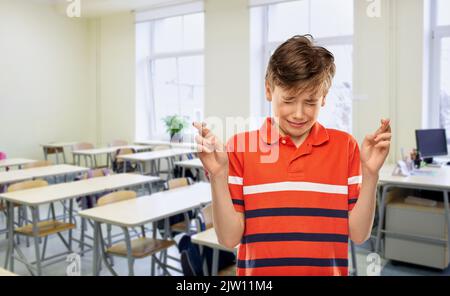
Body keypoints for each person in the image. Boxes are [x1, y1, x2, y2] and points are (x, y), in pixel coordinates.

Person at [193, 35, 391, 276]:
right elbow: (229, 239)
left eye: (310, 102)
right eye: (288, 100)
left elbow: (359, 235)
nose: (299, 114)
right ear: (269, 90)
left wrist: (370, 174)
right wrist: (217, 175)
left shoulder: (345, 147)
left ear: (325, 97)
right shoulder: (241, 147)